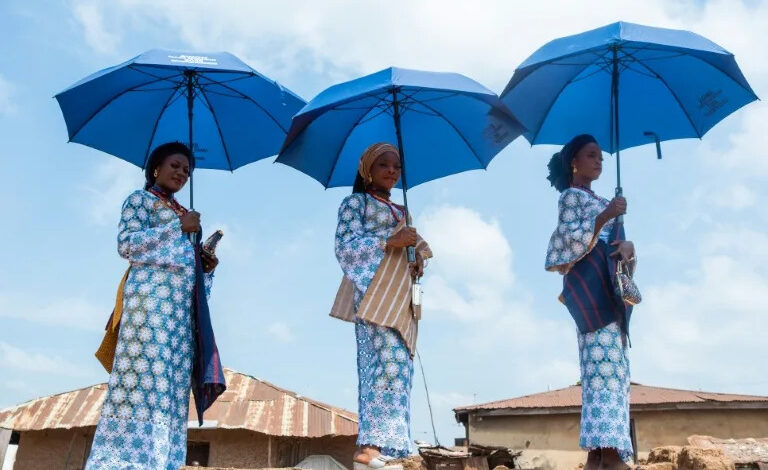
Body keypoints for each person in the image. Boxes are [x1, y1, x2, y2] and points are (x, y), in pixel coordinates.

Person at [86, 142, 222, 469]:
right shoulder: (140, 201)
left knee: (170, 393)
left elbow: (189, 270)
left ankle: (161, 462)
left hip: (179, 317)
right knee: (140, 384)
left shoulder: (186, 215)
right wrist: (178, 226)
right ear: (156, 168)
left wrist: (204, 262)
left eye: (187, 170)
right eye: (175, 165)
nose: (181, 173)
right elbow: (127, 245)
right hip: (148, 307)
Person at [333, 143, 432, 470]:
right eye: (383, 165)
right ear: (367, 171)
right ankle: (369, 446)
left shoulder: (402, 212)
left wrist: (415, 258)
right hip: (375, 290)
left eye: (396, 166)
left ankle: (393, 444)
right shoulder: (354, 203)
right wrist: (389, 242)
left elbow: (408, 254)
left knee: (400, 367)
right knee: (382, 364)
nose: (391, 170)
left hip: (401, 293)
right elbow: (345, 247)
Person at [544, 134, 636, 470]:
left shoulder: (598, 198)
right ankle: (610, 453)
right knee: (603, 372)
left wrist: (628, 247)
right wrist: (606, 215)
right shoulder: (571, 197)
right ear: (574, 162)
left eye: (601, 157)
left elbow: (615, 246)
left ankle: (597, 455)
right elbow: (568, 240)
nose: (599, 161)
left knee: (611, 371)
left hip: (609, 287)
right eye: (591, 155)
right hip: (591, 290)